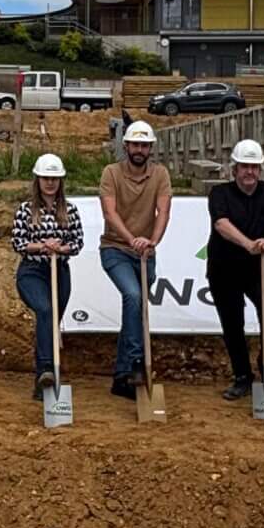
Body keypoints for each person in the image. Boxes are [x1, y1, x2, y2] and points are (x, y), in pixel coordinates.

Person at [206, 139, 264, 399]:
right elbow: (221, 224)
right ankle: (242, 376)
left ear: (260, 169)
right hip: (224, 270)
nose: (249, 172)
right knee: (233, 324)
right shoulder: (220, 193)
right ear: (235, 169)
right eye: (244, 166)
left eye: (254, 166)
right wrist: (248, 244)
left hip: (260, 268)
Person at [96, 118, 171, 401]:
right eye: (135, 144)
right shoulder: (110, 173)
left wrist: (152, 241)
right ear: (125, 145)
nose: (139, 149)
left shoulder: (160, 175)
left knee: (136, 310)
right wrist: (131, 239)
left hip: (145, 252)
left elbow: (163, 212)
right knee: (133, 295)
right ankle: (138, 363)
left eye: (144, 145)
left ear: (150, 148)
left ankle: (120, 376)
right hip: (115, 249)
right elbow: (109, 213)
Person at [12, 151, 83, 395]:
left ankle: (42, 386)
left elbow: (78, 242)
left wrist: (60, 248)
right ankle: (46, 370)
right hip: (32, 272)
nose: (50, 183)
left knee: (51, 323)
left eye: (54, 178)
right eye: (45, 178)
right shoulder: (25, 210)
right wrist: (43, 246)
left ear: (61, 181)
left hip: (60, 271)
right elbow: (18, 243)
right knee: (45, 310)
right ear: (37, 180)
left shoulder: (70, 211)